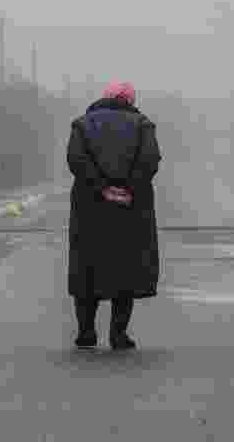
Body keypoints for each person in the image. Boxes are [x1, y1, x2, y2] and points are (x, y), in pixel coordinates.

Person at [66, 80, 162, 351]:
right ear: (129, 100)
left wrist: (101, 187)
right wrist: (127, 188)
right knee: (126, 268)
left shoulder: (82, 125)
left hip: (89, 208)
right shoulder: (143, 125)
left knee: (87, 267)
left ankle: (86, 331)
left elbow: (76, 159)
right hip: (131, 209)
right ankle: (119, 334)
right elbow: (150, 160)